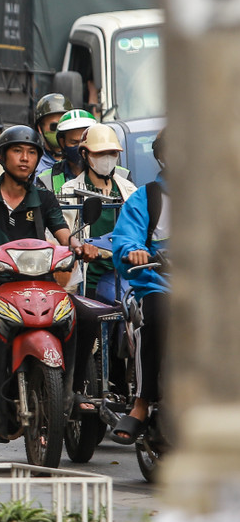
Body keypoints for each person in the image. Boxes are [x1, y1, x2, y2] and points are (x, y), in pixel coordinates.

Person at [0, 125, 96, 422]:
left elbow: (63, 233)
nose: (25, 159)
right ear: (3, 156)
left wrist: (77, 245)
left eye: (31, 153)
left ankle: (76, 387)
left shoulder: (43, 197)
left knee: (85, 316)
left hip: (38, 282)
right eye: (17, 151)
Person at [110, 129, 168, 444]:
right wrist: (133, 250)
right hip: (158, 284)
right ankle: (141, 404)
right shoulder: (146, 196)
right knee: (156, 318)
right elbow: (125, 236)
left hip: (205, 289)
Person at [61, 124, 136, 303]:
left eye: (112, 153)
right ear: (85, 154)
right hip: (88, 283)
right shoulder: (70, 192)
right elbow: (60, 239)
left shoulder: (129, 190)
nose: (107, 159)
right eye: (100, 153)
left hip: (127, 280)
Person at [37, 109, 96, 192]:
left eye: (85, 141)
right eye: (74, 142)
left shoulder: (119, 174)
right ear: (62, 142)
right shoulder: (45, 179)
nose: (80, 148)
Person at [33, 93, 72, 176]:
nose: (60, 130)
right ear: (40, 129)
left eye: (64, 125)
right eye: (54, 126)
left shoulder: (83, 160)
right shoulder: (32, 165)